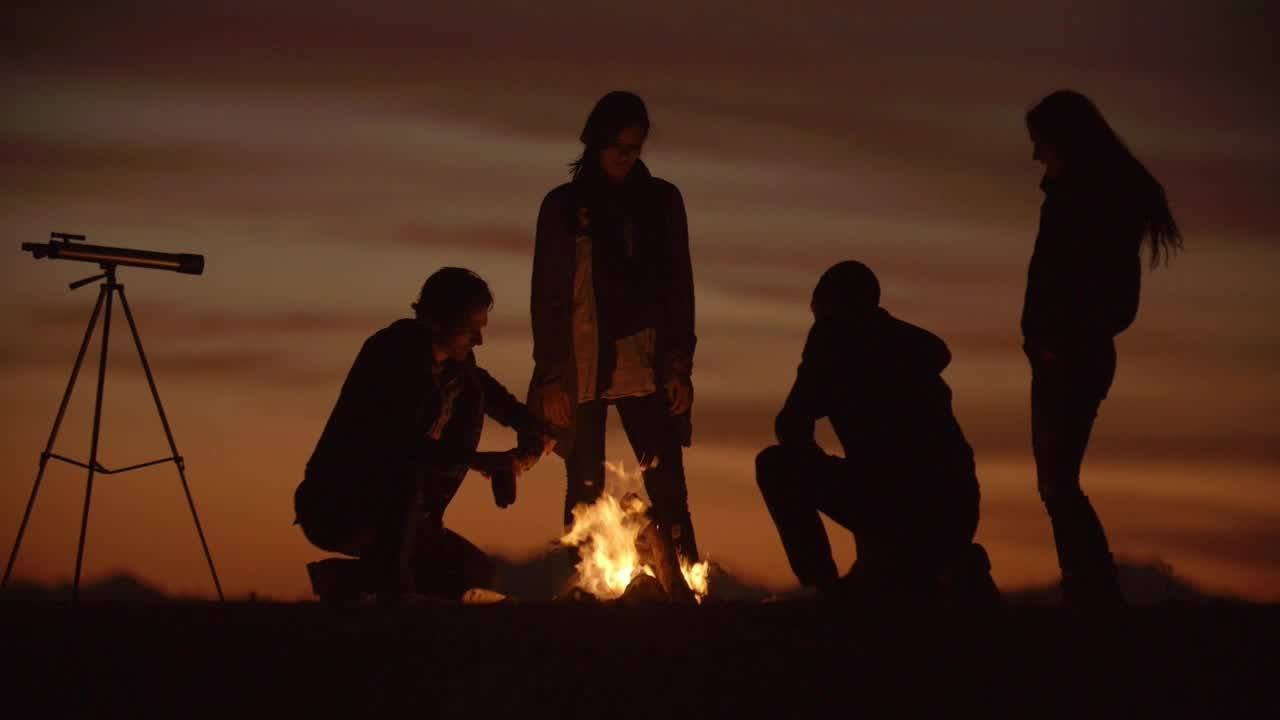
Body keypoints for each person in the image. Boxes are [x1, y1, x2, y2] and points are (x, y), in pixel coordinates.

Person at [294, 267, 550, 602]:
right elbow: (401, 446)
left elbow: (499, 401)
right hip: (342, 505)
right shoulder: (390, 355)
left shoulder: (460, 368)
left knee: (473, 572)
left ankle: (348, 580)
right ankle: (392, 593)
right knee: (403, 480)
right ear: (438, 319)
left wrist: (532, 437)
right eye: (470, 330)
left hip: (410, 514)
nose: (479, 340)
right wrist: (479, 461)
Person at [1022, 90, 1182, 606]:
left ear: (1062, 140)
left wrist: (1057, 342)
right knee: (1056, 483)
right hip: (1066, 354)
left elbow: (1105, 295)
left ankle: (1092, 589)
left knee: (1057, 484)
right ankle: (1090, 588)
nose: (1035, 155)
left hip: (1070, 357)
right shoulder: (1084, 201)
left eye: (1039, 143)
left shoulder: (1085, 206)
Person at [756, 261, 997, 604]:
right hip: (956, 508)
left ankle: (824, 585)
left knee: (776, 466)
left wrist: (810, 455)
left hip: (898, 508)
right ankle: (942, 565)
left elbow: (791, 422)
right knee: (897, 584)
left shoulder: (834, 341)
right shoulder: (908, 346)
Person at [528, 90, 700, 564]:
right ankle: (587, 586)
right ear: (594, 142)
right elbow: (547, 296)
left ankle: (683, 578)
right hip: (582, 358)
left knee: (666, 479)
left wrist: (679, 363)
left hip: (644, 356)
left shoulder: (662, 202)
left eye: (634, 148)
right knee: (584, 484)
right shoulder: (563, 207)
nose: (624, 157)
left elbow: (678, 288)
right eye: (616, 146)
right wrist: (550, 376)